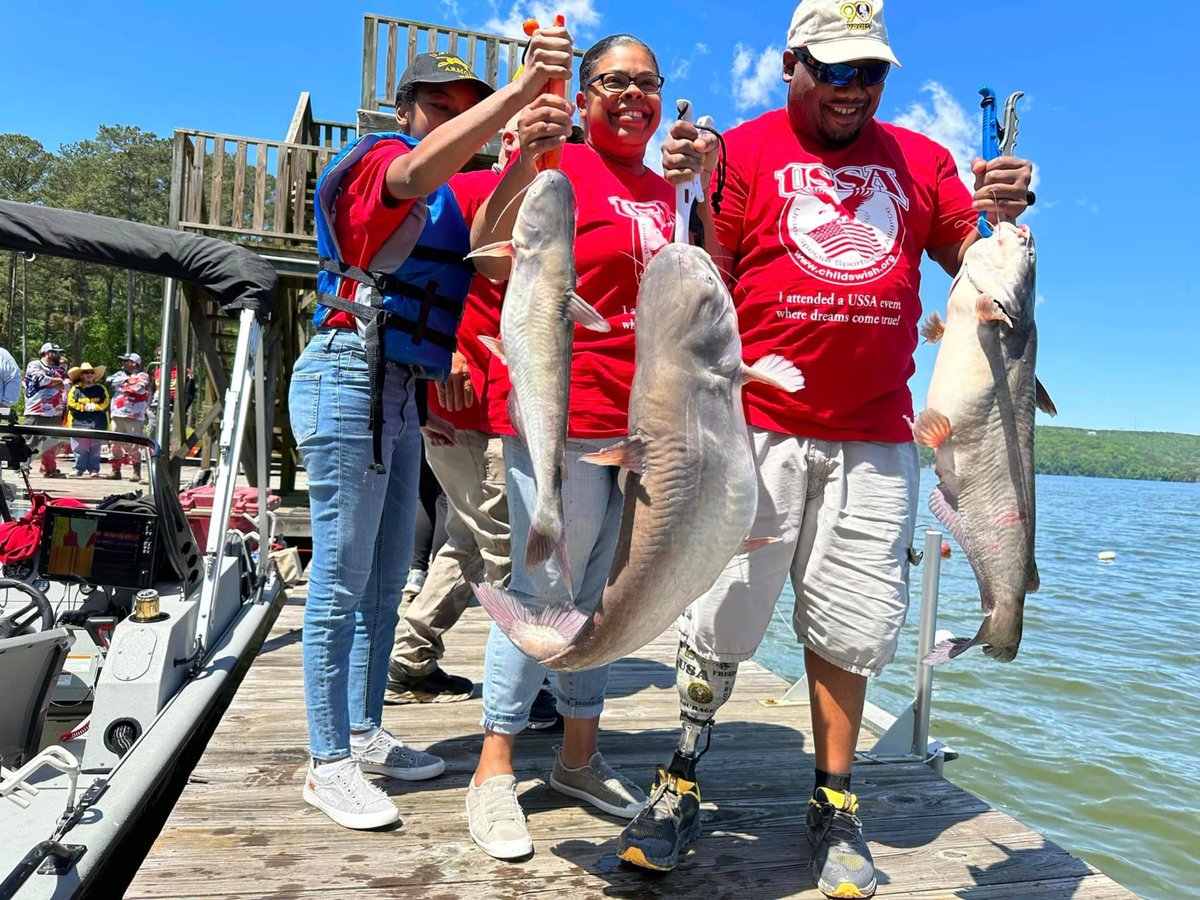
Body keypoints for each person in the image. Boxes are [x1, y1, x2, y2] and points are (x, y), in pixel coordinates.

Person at [620, 1, 1036, 895]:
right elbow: (702, 275)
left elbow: (974, 256)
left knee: (849, 631)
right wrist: (682, 185)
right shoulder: (745, 151)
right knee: (720, 613)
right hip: (755, 427)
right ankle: (681, 774)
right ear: (791, 63)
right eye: (836, 70)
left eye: (871, 73)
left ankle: (835, 800)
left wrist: (999, 214)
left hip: (878, 439)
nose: (854, 90)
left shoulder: (920, 160)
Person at [287, 37, 575, 832]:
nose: (453, 120)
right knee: (339, 583)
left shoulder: (456, 192)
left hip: (401, 392)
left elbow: (484, 246)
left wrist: (527, 158)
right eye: (440, 108)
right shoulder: (379, 158)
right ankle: (326, 762)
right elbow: (415, 177)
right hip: (344, 374)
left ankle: (364, 731)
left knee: (384, 584)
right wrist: (516, 97)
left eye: (463, 109)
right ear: (408, 109)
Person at [464, 30, 721, 862]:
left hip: (645, 430)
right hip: (559, 418)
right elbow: (491, 253)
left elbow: (704, 286)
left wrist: (706, 191)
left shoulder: (668, 188)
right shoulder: (559, 169)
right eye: (614, 81)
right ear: (583, 95)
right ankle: (494, 769)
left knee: (603, 598)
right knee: (544, 585)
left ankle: (577, 760)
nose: (633, 96)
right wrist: (522, 158)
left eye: (647, 83)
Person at [385, 114, 523, 706]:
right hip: (465, 407)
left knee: (466, 539)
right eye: (517, 133)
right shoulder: (465, 191)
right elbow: (415, 280)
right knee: (509, 552)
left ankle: (410, 658)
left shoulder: (564, 205)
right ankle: (524, 686)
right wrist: (450, 357)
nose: (532, 143)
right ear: (502, 141)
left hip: (517, 410)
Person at [23, 342, 69, 477]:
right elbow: (39, 380)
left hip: (55, 412)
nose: (58, 355)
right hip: (36, 410)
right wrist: (57, 382)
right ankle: (23, 468)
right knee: (31, 442)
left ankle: (49, 470)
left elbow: (68, 384)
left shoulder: (60, 368)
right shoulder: (34, 365)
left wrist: (52, 382)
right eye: (55, 352)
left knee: (51, 443)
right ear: (47, 353)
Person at [107, 351, 151, 482]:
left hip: (135, 415)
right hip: (117, 413)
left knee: (133, 444)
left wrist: (123, 386)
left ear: (134, 363)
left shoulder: (143, 375)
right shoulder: (119, 374)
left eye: (126, 361)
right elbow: (109, 381)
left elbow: (139, 388)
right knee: (114, 443)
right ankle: (115, 470)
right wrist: (127, 381)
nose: (123, 363)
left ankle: (136, 471)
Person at [65, 362, 111, 478]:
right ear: (81, 375)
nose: (89, 375)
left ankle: (94, 470)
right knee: (79, 448)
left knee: (95, 449)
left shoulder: (101, 388)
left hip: (97, 424)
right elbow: (71, 404)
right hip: (78, 424)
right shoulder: (75, 389)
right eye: (86, 372)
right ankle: (78, 469)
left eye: (91, 372)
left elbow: (106, 404)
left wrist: (94, 407)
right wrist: (84, 407)